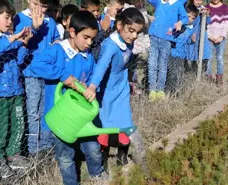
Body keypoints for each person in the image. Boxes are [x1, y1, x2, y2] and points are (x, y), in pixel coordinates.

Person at [29, 11, 107, 185]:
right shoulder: (58, 50)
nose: (89, 43)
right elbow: (36, 64)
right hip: (61, 117)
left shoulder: (87, 57)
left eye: (92, 39)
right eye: (85, 37)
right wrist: (63, 75)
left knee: (93, 148)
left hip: (82, 115)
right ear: (72, 32)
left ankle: (98, 175)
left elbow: (93, 77)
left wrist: (92, 89)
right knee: (65, 156)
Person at [83, 8, 145, 166]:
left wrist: (130, 82)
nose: (134, 36)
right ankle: (101, 161)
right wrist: (92, 86)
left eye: (137, 32)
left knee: (125, 122)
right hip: (106, 92)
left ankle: (122, 156)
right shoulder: (110, 45)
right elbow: (101, 66)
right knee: (104, 126)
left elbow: (126, 65)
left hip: (121, 89)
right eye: (131, 31)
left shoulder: (128, 43)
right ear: (119, 25)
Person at [0, 0, 32, 178]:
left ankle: (14, 154)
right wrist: (14, 39)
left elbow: (18, 61)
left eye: (11, 17)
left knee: (18, 125)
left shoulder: (8, 38)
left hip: (16, 90)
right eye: (6, 17)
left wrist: (24, 44)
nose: (10, 21)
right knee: (0, 129)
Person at [13, 0, 60, 154]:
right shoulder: (19, 19)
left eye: (45, 6)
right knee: (32, 112)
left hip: (48, 74)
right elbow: (19, 45)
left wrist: (56, 44)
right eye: (36, 3)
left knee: (45, 110)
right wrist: (35, 28)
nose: (39, 9)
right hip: (30, 73)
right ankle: (33, 148)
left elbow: (56, 40)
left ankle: (46, 145)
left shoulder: (50, 21)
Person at [147, 0, 188, 101]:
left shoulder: (178, 3)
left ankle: (160, 90)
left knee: (162, 66)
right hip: (153, 37)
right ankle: (152, 90)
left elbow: (185, 17)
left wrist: (180, 22)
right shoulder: (159, 2)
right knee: (152, 64)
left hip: (167, 39)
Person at [166, 5, 199, 95]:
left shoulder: (190, 30)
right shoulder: (177, 25)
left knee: (179, 74)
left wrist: (192, 40)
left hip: (181, 55)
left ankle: (176, 93)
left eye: (193, 18)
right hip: (171, 53)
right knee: (171, 74)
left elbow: (187, 42)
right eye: (188, 16)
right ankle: (169, 92)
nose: (190, 19)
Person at [205, 0, 228, 87]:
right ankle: (208, 78)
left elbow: (226, 23)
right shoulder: (206, 7)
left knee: (219, 58)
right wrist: (209, 36)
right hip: (209, 38)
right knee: (209, 58)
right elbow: (205, 24)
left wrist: (222, 36)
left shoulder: (224, 7)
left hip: (221, 38)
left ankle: (219, 79)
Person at [186, 0, 212, 78]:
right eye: (196, 0)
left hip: (202, 36)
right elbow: (190, 22)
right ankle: (190, 75)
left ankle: (203, 75)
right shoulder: (188, 8)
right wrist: (197, 14)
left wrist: (207, 15)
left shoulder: (203, 8)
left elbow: (208, 22)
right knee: (191, 57)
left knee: (205, 56)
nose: (198, 2)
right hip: (192, 35)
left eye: (200, 0)